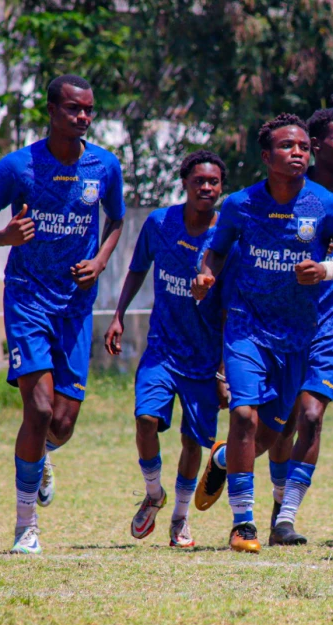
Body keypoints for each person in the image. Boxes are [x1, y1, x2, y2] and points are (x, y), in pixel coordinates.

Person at [0, 74, 125, 554]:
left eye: (89, 110)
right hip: (28, 298)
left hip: (75, 305)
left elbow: (115, 219)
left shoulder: (104, 166)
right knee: (40, 407)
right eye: (74, 109)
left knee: (64, 423)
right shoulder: (18, 167)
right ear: (51, 111)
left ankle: (42, 455)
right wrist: (3, 238)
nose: (83, 118)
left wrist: (100, 261)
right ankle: (25, 526)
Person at [192, 113, 333, 553]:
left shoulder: (325, 204)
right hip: (247, 326)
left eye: (304, 147)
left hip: (299, 335)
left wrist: (324, 270)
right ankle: (244, 524)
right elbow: (215, 253)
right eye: (288, 147)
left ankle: (230, 463)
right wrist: (205, 276)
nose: (298, 154)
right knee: (244, 416)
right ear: (267, 156)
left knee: (277, 434)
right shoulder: (239, 204)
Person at [103, 151, 228, 548]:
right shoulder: (160, 223)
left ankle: (179, 517)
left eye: (213, 182)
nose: (206, 188)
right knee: (145, 420)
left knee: (194, 442)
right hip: (162, 347)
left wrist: (224, 370)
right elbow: (138, 268)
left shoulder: (227, 237)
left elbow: (233, 307)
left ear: (221, 187)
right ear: (185, 184)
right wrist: (119, 313)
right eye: (199, 181)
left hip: (205, 357)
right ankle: (154, 492)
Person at [264, 108, 333, 545]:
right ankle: (244, 472)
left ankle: (285, 517)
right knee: (277, 426)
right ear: (316, 146)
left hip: (329, 324)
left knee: (310, 415)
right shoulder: (272, 196)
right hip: (276, 326)